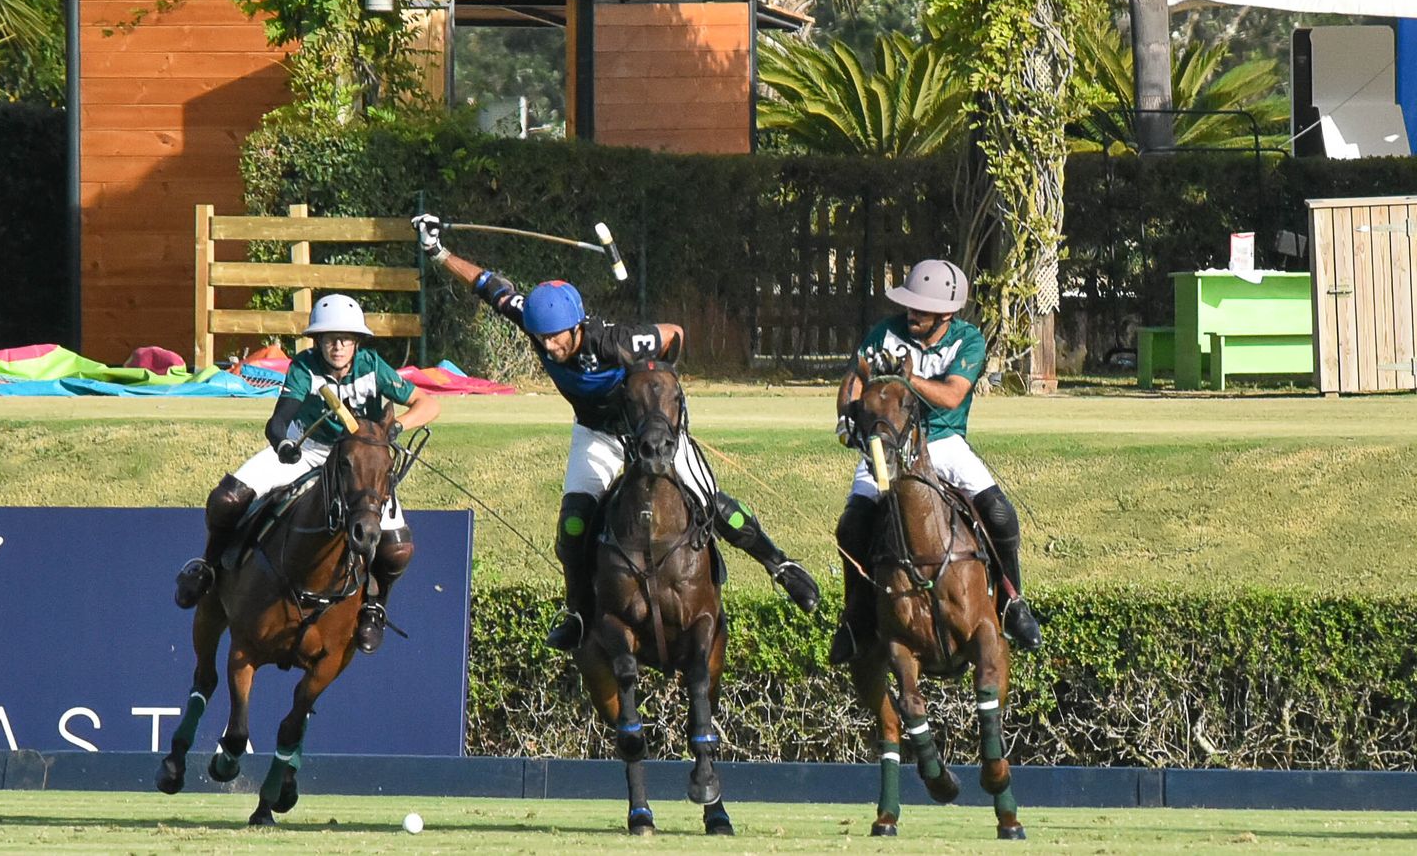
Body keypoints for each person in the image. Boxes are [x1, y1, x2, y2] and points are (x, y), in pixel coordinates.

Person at [413, 213, 820, 650]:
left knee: (713, 503)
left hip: (648, 432)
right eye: (542, 338)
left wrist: (654, 382)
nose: (550, 347)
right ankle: (576, 611)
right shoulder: (537, 325)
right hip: (595, 434)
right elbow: (491, 287)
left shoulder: (613, 340)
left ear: (577, 325)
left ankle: (780, 565)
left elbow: (673, 335)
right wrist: (438, 251)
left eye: (557, 338)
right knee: (572, 525)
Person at [173, 294, 440, 653]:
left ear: (357, 341)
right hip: (310, 451)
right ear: (317, 341)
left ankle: (375, 608)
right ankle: (208, 567)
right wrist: (284, 443)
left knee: (396, 549)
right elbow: (281, 418)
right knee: (227, 498)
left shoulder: (373, 367)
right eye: (330, 338)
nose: (338, 345)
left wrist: (394, 429)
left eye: (345, 338)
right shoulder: (304, 367)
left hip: (360, 462)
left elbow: (429, 403)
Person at [828, 259, 1042, 665]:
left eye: (921, 310)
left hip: (943, 443)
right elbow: (855, 379)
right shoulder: (885, 333)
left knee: (1000, 514)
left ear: (946, 313)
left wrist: (904, 383)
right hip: (888, 445)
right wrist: (848, 413)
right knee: (852, 524)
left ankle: (1013, 602)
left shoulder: (968, 341)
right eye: (910, 306)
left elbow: (951, 395)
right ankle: (855, 616)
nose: (912, 314)